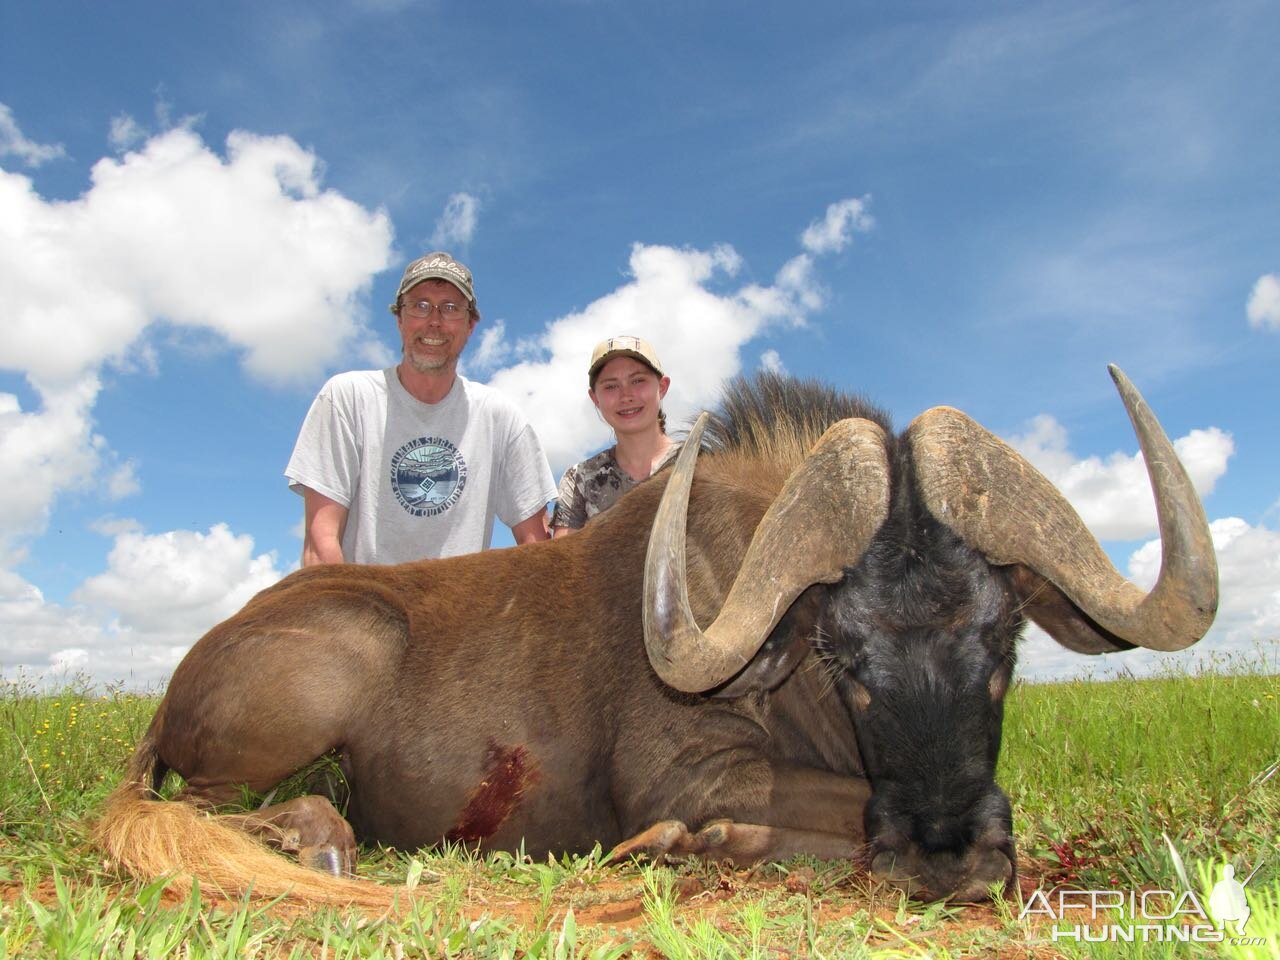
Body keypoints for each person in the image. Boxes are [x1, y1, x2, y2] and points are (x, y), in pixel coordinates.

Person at [286, 251, 557, 564]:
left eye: (451, 308)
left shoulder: (501, 417)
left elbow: (537, 548)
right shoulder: (347, 398)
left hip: (463, 611)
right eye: (420, 305)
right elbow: (320, 547)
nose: (434, 321)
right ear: (399, 318)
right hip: (367, 607)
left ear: (471, 325)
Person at [551, 335, 679, 536]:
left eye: (638, 381)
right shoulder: (579, 480)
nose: (626, 395)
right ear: (595, 398)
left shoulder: (706, 464)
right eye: (611, 386)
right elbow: (563, 561)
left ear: (662, 387)